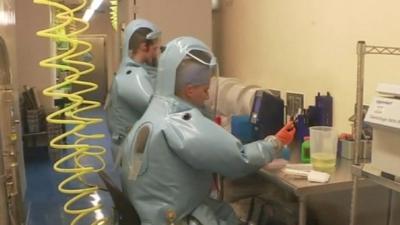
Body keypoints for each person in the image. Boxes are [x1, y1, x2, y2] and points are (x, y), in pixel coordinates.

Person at [119, 36, 295, 225]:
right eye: (204, 90)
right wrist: (275, 142)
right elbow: (240, 158)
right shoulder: (180, 120)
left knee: (224, 210)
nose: (207, 97)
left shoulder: (155, 112)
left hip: (155, 210)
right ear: (189, 90)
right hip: (175, 216)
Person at [105, 19, 161, 161]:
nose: (157, 54)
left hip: (135, 146)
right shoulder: (131, 76)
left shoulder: (138, 72)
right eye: (155, 49)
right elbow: (156, 107)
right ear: (144, 46)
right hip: (133, 152)